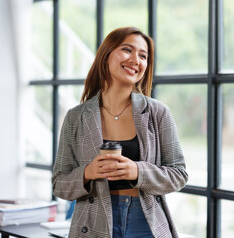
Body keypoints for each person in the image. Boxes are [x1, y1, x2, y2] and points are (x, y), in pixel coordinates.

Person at [52, 27, 188, 238]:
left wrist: (137, 171)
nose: (136, 59)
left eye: (143, 55)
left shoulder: (158, 113)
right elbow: (59, 185)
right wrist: (88, 173)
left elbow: (179, 175)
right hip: (92, 222)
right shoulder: (76, 117)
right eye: (127, 50)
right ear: (106, 55)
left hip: (145, 223)